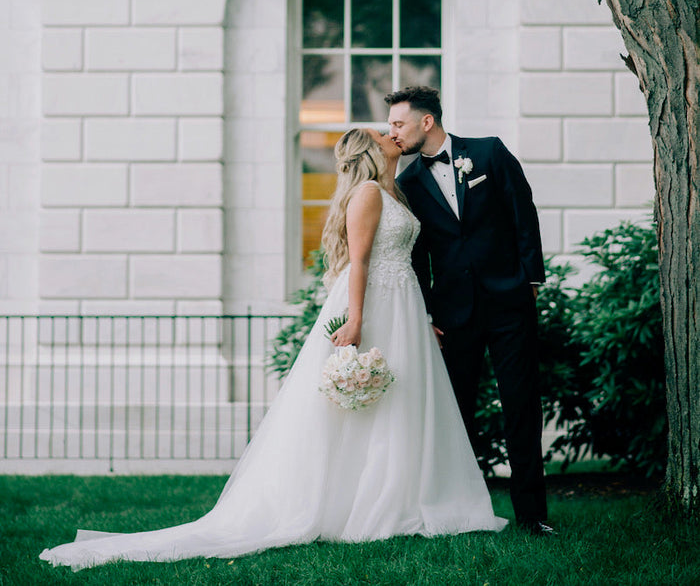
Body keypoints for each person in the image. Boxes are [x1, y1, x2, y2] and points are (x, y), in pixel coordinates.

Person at [40, 127, 506, 571]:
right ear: (370, 151)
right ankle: (365, 505)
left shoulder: (394, 193)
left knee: (400, 403)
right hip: (376, 303)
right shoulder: (367, 194)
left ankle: (401, 497)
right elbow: (360, 261)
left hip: (402, 304)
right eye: (384, 134)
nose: (393, 136)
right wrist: (359, 320)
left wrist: (421, 318)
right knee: (369, 405)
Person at [385, 86, 551, 536]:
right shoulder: (408, 183)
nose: (392, 132)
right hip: (452, 315)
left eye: (398, 123)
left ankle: (533, 516)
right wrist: (425, 316)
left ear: (426, 121)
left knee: (521, 406)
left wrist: (531, 278)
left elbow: (523, 212)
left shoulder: (489, 153)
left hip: (510, 303)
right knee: (456, 414)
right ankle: (462, 510)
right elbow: (415, 256)